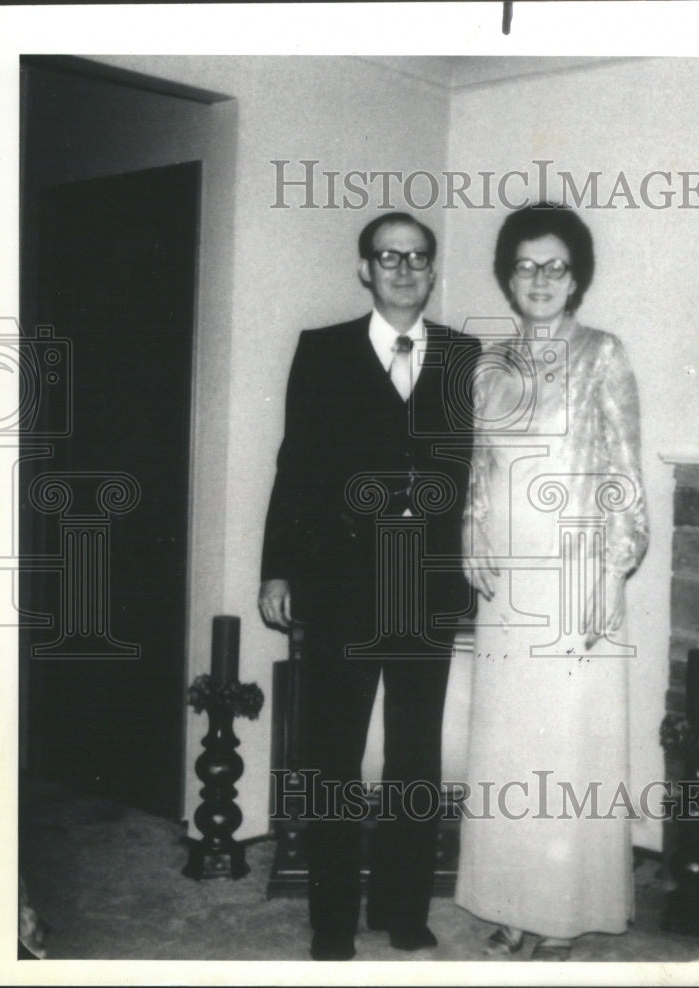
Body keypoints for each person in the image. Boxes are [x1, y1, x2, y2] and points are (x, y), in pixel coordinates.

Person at [259, 213, 479, 961]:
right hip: (342, 584)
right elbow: (294, 466)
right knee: (334, 755)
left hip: (427, 586)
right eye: (389, 256)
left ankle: (402, 908)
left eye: (418, 257)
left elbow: (478, 470)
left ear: (432, 268)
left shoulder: (463, 355)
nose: (404, 268)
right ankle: (330, 920)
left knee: (415, 755)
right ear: (364, 268)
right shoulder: (321, 352)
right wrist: (278, 567)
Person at [454, 204, 649, 961]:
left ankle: (559, 912)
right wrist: (471, 527)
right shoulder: (488, 365)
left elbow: (624, 476)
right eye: (525, 265)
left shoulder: (604, 353)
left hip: (576, 573)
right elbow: (480, 464)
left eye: (555, 266)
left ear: (577, 278)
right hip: (507, 580)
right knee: (508, 748)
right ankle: (512, 903)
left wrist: (611, 567)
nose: (540, 279)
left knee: (565, 749)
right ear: (507, 276)